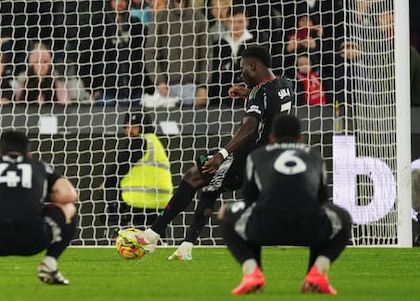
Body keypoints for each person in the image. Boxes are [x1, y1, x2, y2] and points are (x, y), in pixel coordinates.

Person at [125, 45, 294, 260]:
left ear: (253, 65)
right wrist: (248, 94)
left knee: (194, 175)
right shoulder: (285, 85)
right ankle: (186, 247)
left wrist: (222, 154)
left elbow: (249, 128)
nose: (241, 73)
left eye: (243, 68)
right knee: (209, 190)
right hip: (268, 160)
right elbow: (271, 106)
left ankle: (151, 235)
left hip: (248, 158)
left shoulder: (261, 92)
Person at [217, 114, 351, 295]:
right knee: (343, 217)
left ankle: (252, 273)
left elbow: (249, 200)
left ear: (271, 138)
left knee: (226, 214)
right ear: (301, 139)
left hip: (264, 229)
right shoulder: (314, 156)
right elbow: (322, 200)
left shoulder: (256, 156)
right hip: (310, 229)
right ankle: (317, 274)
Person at [0, 130, 78, 286]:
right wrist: (37, 194)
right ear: (28, 152)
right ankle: (49, 264)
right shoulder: (40, 166)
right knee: (69, 208)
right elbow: (69, 195)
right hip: (34, 241)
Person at [100, 111, 173, 230]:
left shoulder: (138, 141)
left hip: (138, 202)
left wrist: (106, 184)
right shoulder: (154, 142)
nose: (129, 130)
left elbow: (118, 169)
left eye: (133, 126)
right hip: (163, 203)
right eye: (126, 126)